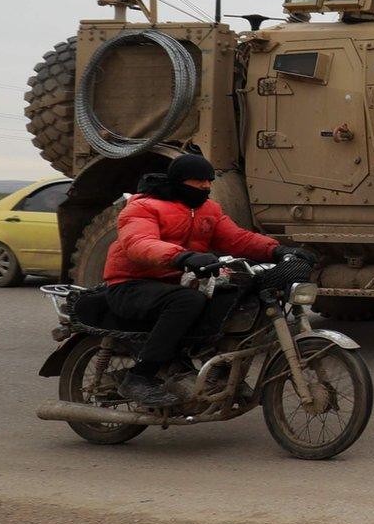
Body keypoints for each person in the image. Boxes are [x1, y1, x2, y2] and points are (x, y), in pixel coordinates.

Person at [101, 154, 296, 407]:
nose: (206, 186)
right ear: (180, 181)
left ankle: (220, 370)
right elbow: (138, 244)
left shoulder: (208, 210)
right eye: (198, 181)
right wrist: (183, 256)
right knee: (187, 300)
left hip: (175, 282)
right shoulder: (143, 207)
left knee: (240, 292)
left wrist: (278, 250)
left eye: (208, 181)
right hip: (130, 284)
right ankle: (140, 376)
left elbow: (237, 238)